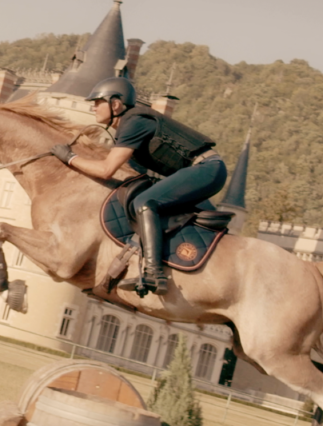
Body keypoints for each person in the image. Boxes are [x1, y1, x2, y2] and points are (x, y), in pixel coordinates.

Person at [49, 76, 225, 295]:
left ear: (115, 104)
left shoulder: (133, 122)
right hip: (202, 170)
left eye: (97, 102)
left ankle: (154, 273)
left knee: (144, 202)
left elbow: (106, 170)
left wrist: (71, 158)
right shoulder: (128, 125)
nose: (93, 107)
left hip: (207, 169)